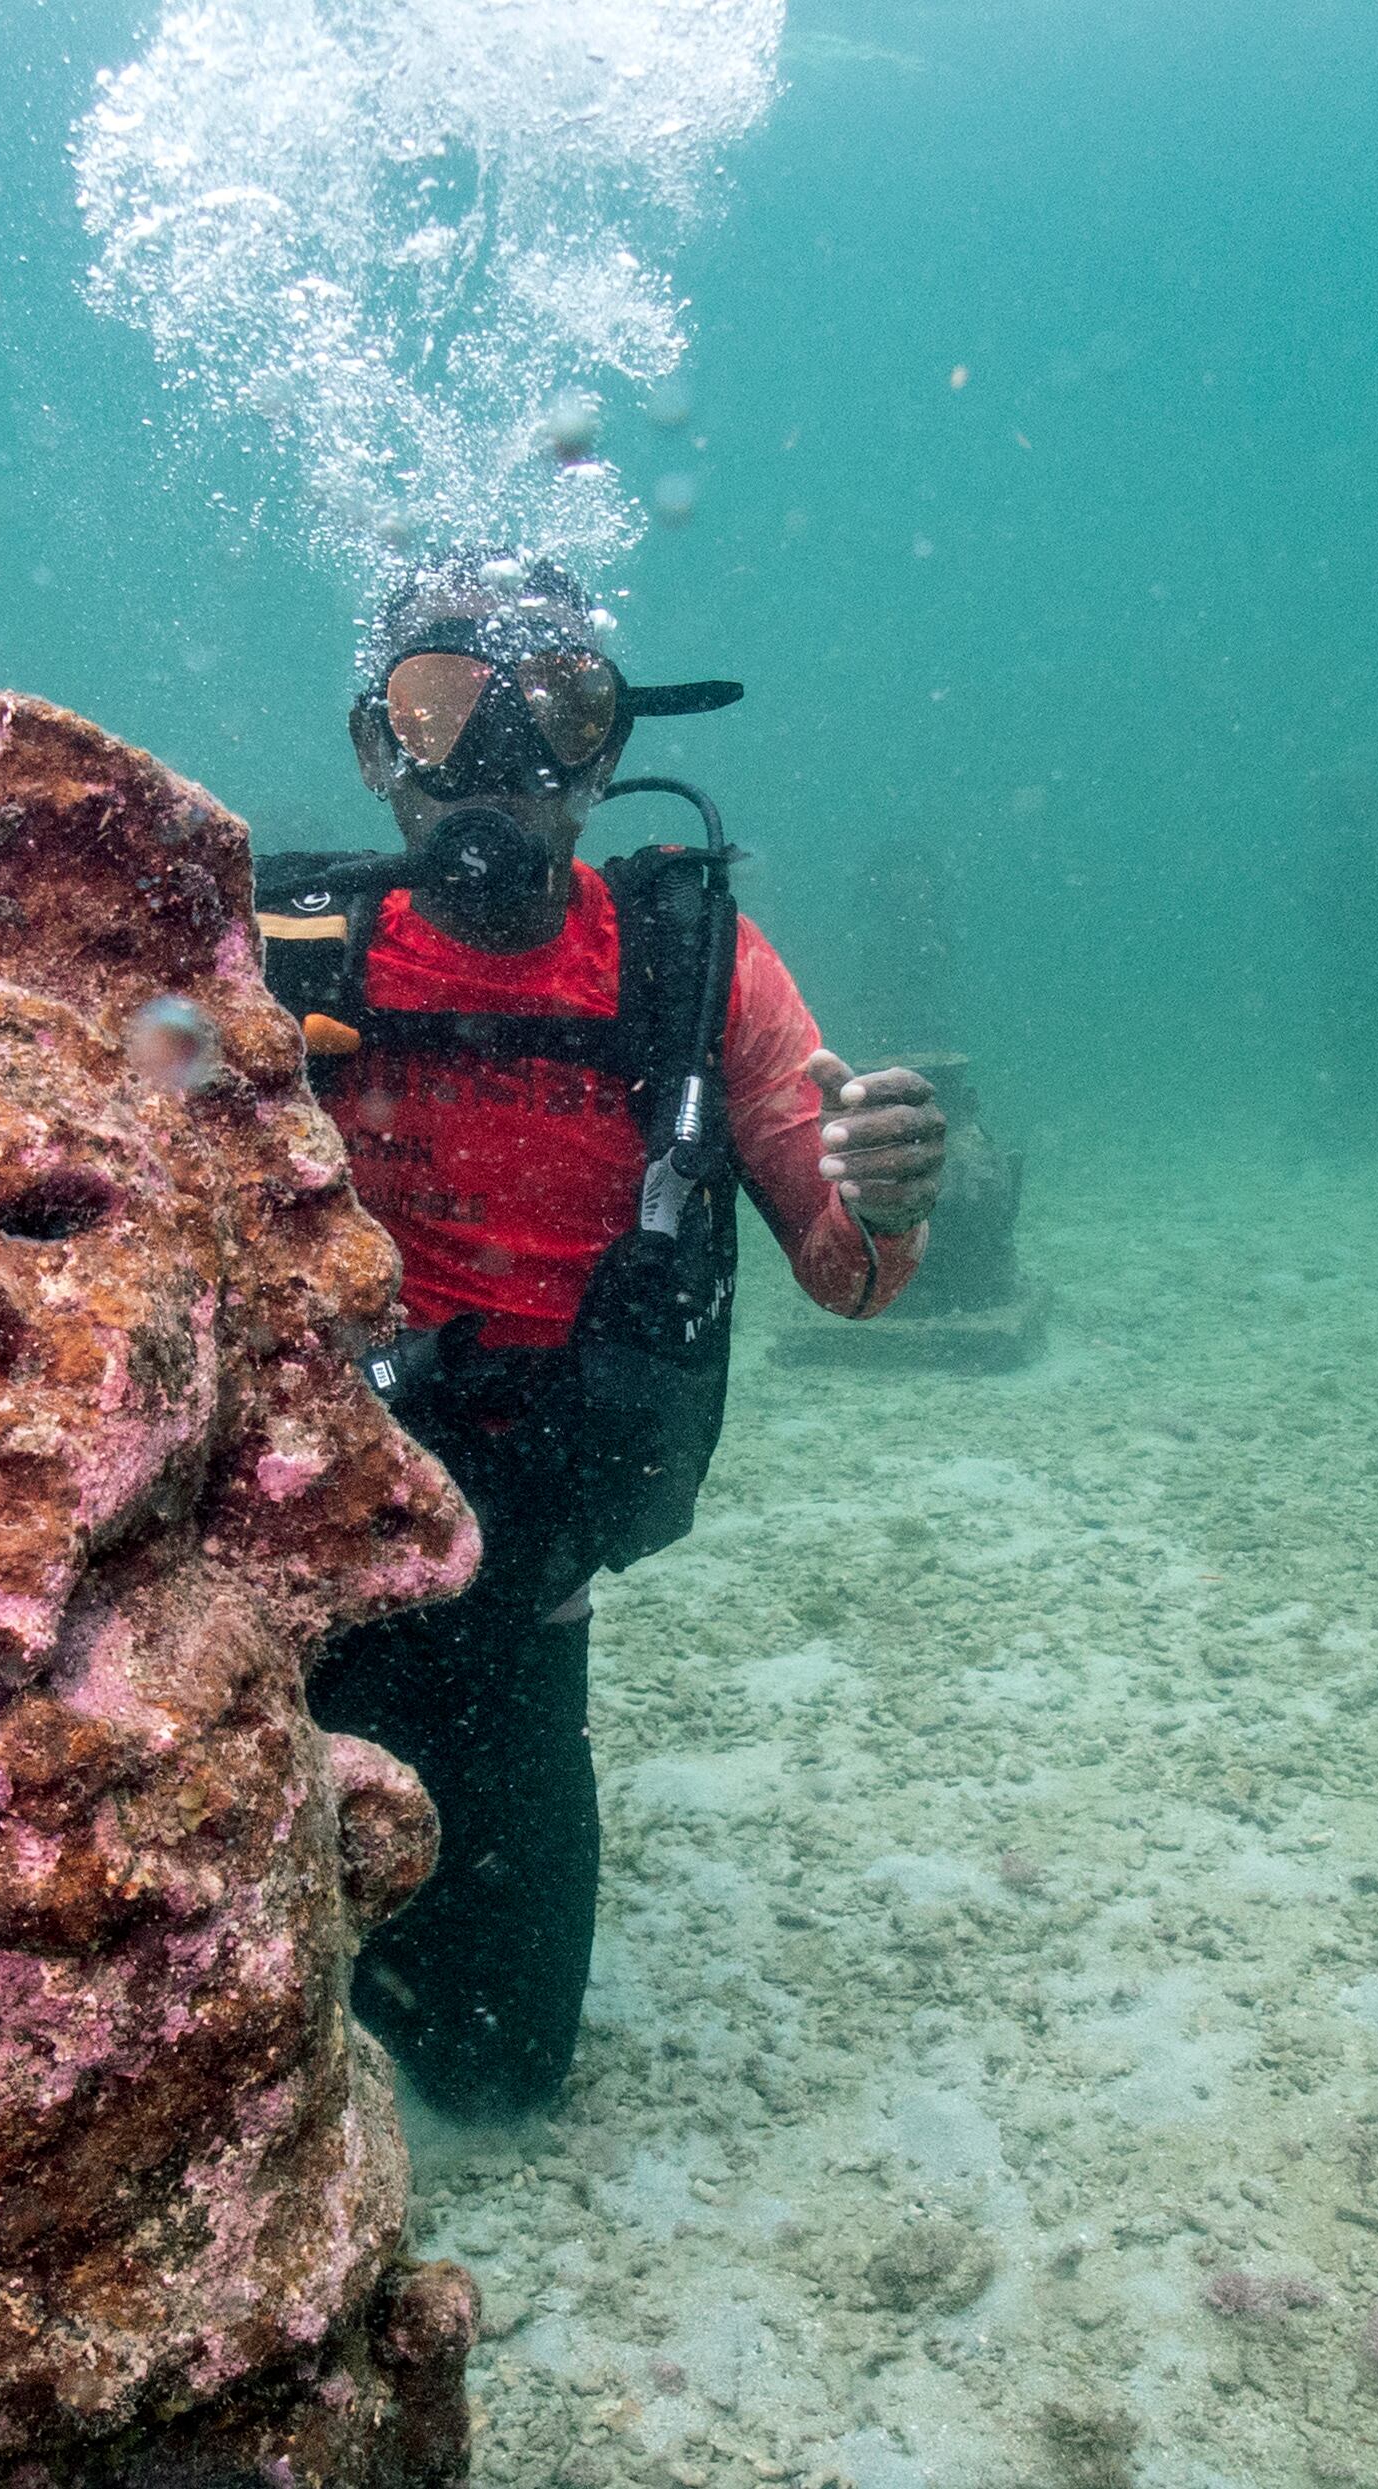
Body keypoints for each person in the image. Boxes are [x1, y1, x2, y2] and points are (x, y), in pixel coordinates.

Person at [257, 551, 946, 2121]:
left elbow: (846, 1277)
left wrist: (888, 1194)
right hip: (282, 1560)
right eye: (443, 711)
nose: (499, 762)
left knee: (497, 2070)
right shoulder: (272, 957)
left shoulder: (691, 961)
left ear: (611, 747)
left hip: (527, 1577)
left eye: (558, 712)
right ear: (378, 746)